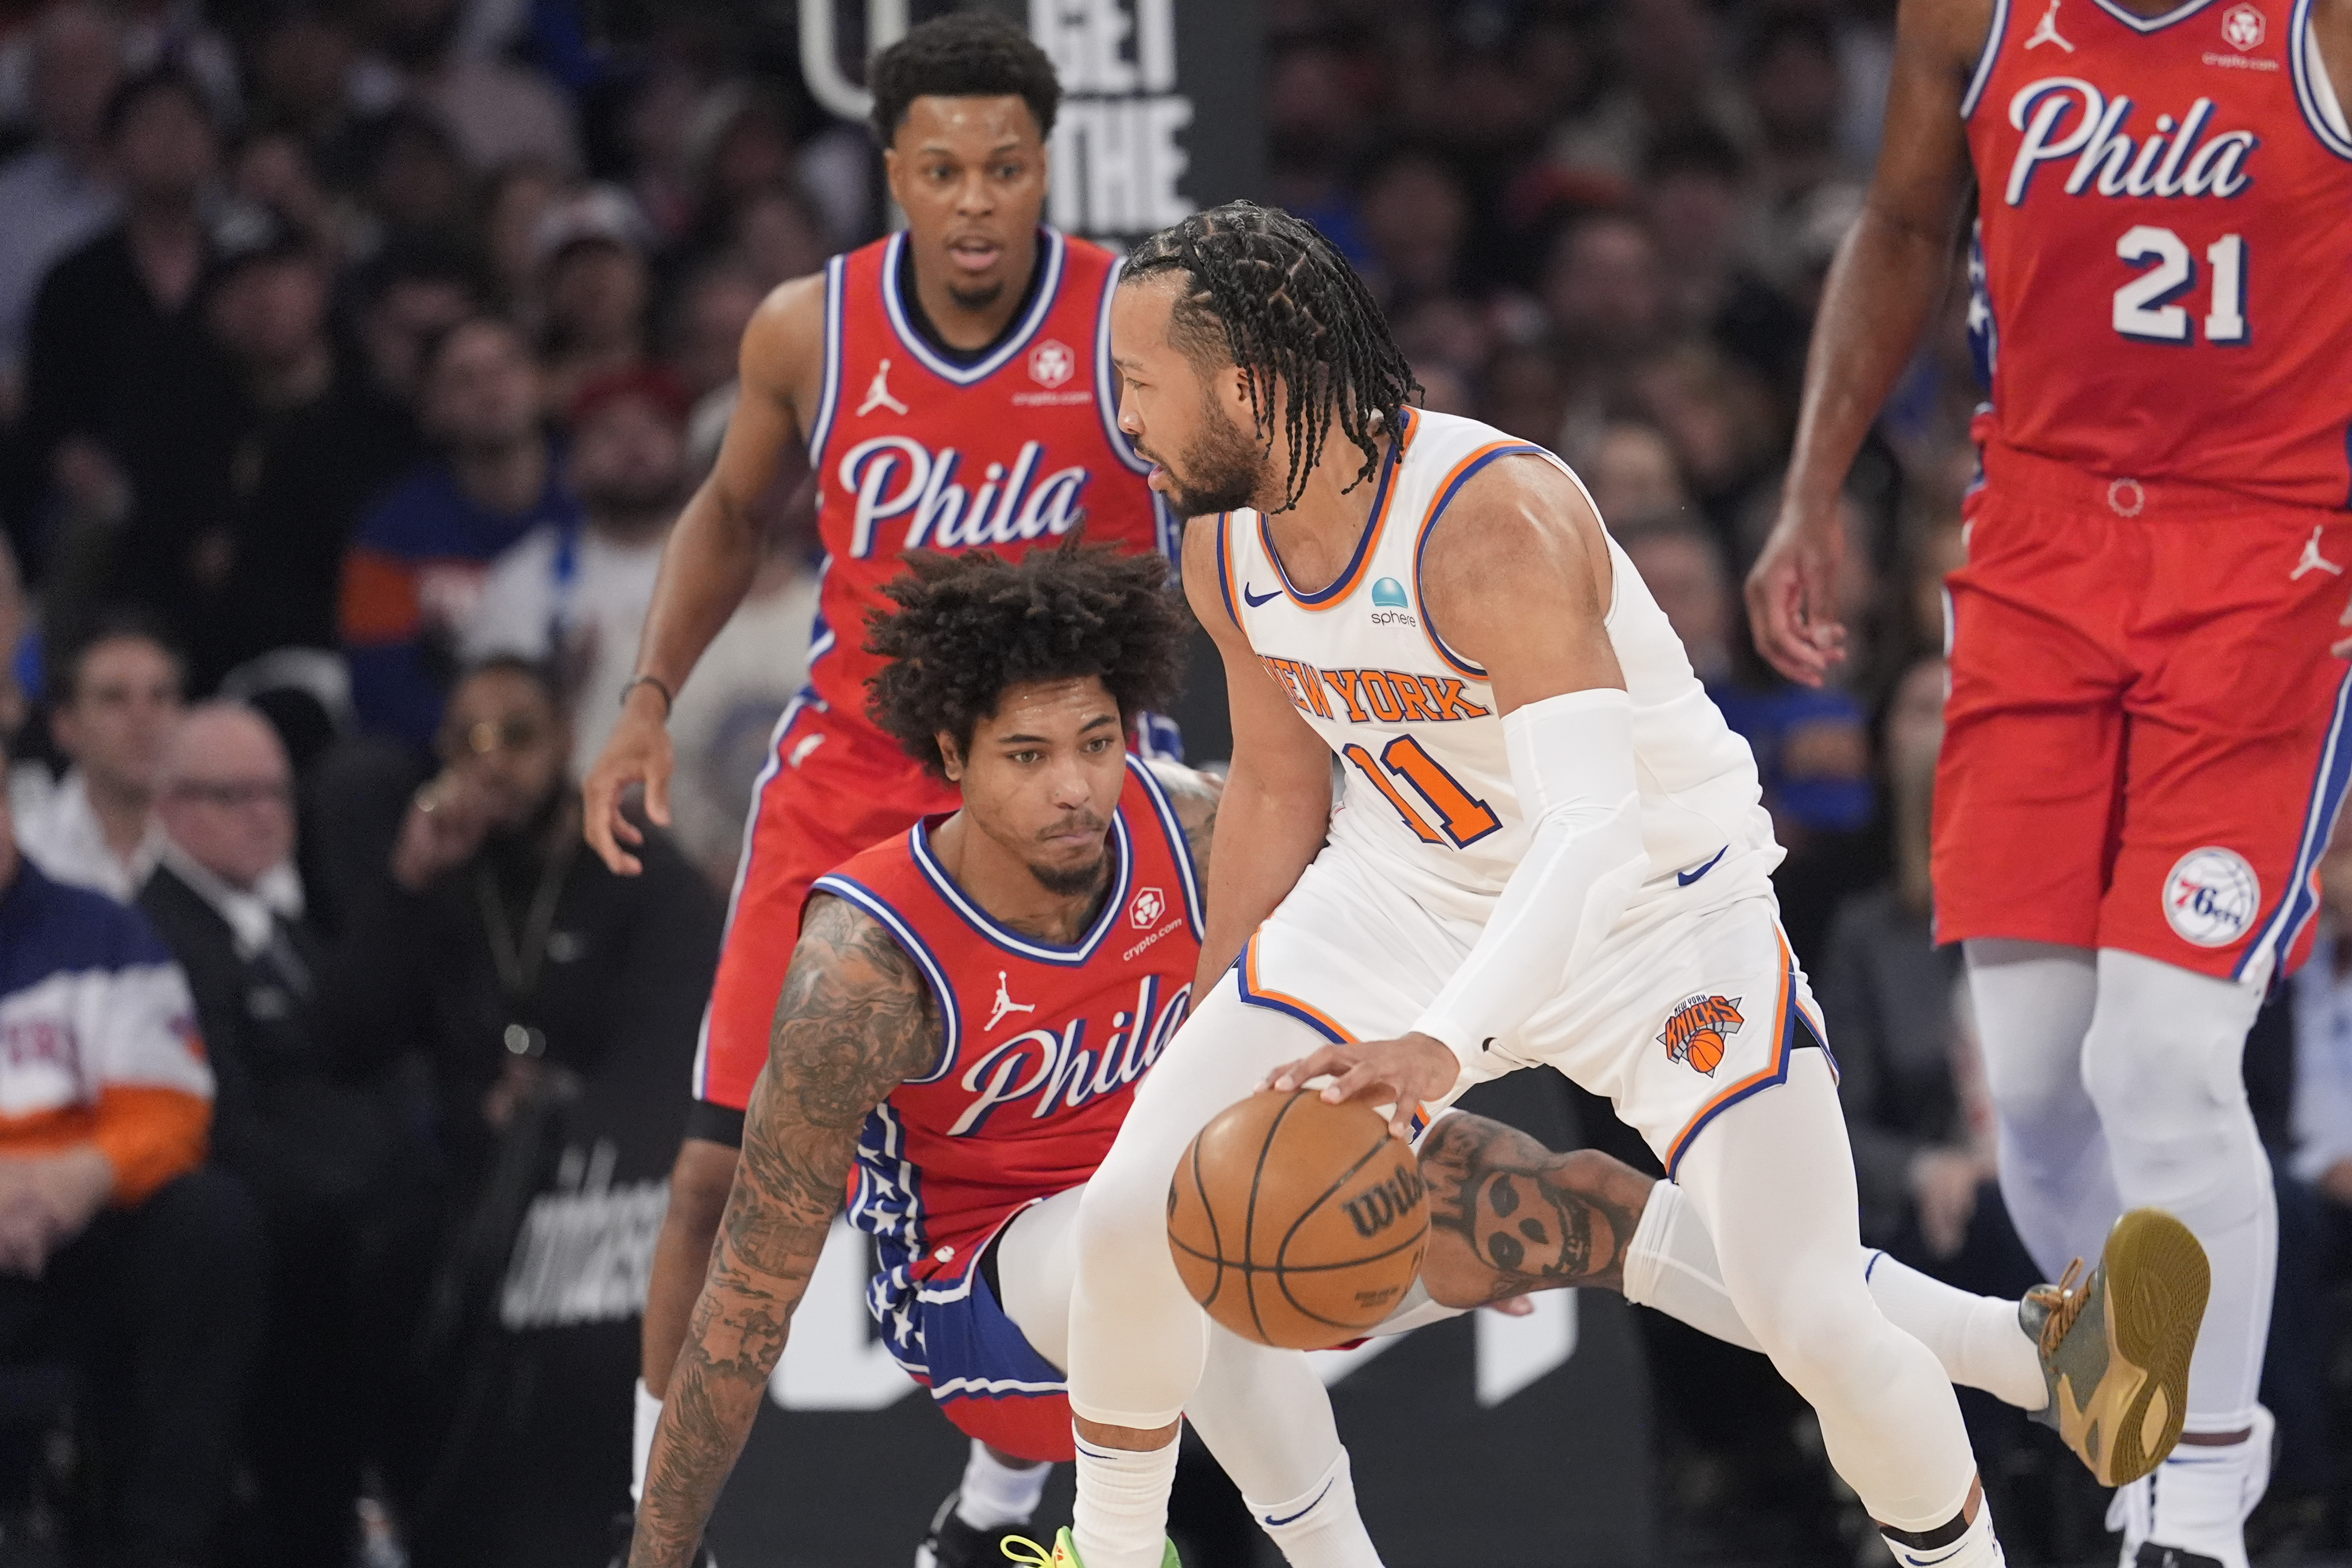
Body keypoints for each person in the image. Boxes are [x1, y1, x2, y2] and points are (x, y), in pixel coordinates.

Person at [623, 546, 2208, 1568]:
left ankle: (2032, 1355)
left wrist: (1450, 1065)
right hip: (986, 1299)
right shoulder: (865, 958)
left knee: (1575, 1200)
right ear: (952, 756)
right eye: (1025, 755)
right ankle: (1119, 1540)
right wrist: (661, 1538)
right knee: (1160, 1228)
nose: (1069, 787)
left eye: (1094, 743)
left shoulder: (1190, 824)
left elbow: (1389, 887)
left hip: (1211, 1173)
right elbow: (755, 1276)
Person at [1062, 200, 2203, 1568]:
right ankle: (1112, 1548)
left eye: (1137, 385)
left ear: (1245, 386)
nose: (1119, 418)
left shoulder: (1490, 517)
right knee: (1134, 1210)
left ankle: (1989, 1481)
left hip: (1659, 917)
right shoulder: (1222, 538)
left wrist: (1448, 1047)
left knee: (1814, 1320)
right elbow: (1274, 786)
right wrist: (1211, 1015)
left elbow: (1593, 829)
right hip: (1404, 899)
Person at [1740, 2, 2352, 1560]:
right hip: (2035, 549)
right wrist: (1811, 489)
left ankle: (2196, 1494)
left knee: (2160, 1057)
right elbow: (1892, 224)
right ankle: (2143, 1405)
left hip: (2265, 553)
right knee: (2030, 1089)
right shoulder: (1973, 15)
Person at [578, 14, 1177, 1504]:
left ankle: (1005, 1507)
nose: (976, 199)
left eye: (1007, 166)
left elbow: (1228, 535)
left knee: (1094, 1188)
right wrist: (650, 694)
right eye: (942, 168)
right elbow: (726, 513)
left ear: (1050, 166)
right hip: (851, 785)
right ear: (891, 169)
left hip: (1068, 797)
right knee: (719, 1175)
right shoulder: (807, 326)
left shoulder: (1134, 326)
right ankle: (655, 1517)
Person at [137, 702, 428, 1568]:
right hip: (279, 1252)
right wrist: (359, 1186)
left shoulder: (284, 926)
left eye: (276, 792)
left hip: (343, 1215)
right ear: (173, 807)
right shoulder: (160, 934)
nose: (265, 812)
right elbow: (219, 1123)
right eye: (235, 795)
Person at [0, 724, 265, 1567]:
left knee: (212, 1220)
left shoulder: (101, 932)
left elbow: (170, 1106)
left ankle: (160, 1547)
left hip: (79, 1230)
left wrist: (85, 1172)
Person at [340, 314, 582, 749]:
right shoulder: (392, 532)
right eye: (464, 380)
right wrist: (491, 743)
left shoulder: (601, 496)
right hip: (452, 747)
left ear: (540, 383)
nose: (491, 390)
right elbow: (381, 684)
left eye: (505, 369)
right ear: (432, 410)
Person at [465, 364, 693, 778]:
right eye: (609, 432)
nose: (633, 446)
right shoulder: (525, 579)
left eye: (654, 427)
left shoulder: (734, 570)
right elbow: (488, 720)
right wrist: (558, 687)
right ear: (570, 465)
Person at [12, 618, 181, 900]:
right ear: (65, 724)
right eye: (114, 698)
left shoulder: (219, 841)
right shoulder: (24, 849)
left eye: (160, 697)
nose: (143, 719)